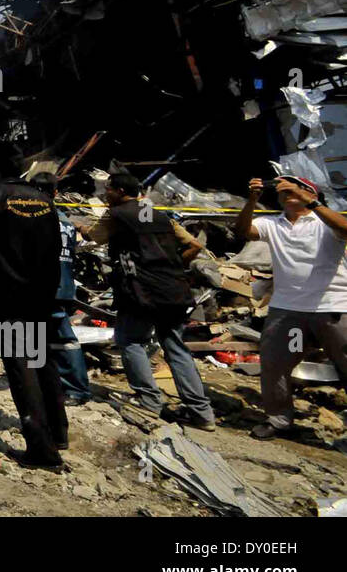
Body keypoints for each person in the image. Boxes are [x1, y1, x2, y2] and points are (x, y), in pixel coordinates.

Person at [75, 172, 216, 431]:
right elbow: (194, 245)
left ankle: (150, 402)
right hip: (173, 290)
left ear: (119, 191)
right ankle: (202, 412)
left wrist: (79, 226)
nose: (106, 194)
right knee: (175, 346)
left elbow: (95, 236)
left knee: (130, 341)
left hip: (140, 292)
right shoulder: (160, 215)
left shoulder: (117, 215)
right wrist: (172, 265)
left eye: (108, 189)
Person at [0, 141, 68, 468]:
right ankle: (59, 432)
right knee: (43, 357)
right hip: (41, 294)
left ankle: (42, 450)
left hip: (7, 296)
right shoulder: (46, 202)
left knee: (21, 364)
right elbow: (55, 255)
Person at [234, 175, 347, 440]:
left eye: (295, 188)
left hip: (332, 307)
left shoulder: (324, 222)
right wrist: (252, 199)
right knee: (277, 364)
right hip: (289, 312)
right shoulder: (273, 224)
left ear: (310, 193)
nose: (287, 193)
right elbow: (242, 231)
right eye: (283, 190)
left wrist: (313, 202)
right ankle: (279, 420)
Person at [32, 172, 92, 405]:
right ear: (55, 192)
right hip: (65, 285)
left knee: (61, 338)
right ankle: (54, 382)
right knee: (55, 338)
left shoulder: (37, 218)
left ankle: (76, 389)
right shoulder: (65, 220)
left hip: (46, 288)